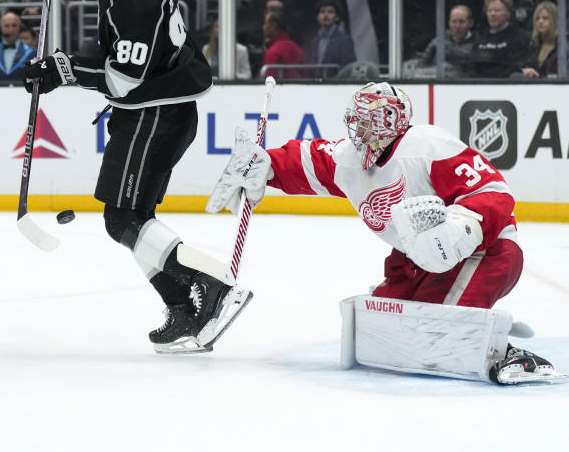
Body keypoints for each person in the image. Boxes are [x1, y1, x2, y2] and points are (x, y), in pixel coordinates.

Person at [208, 82, 560, 385]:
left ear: (390, 123)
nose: (357, 131)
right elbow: (309, 160)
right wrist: (265, 166)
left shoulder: (427, 146)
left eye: (367, 123)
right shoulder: (349, 160)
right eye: (355, 121)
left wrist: (458, 229)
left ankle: (508, 354)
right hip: (416, 261)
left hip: (486, 253)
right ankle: (476, 324)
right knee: (387, 332)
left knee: (439, 342)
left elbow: (495, 192)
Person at [26, 0, 249, 354]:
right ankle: (185, 309)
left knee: (121, 218)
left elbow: (122, 83)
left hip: (152, 114)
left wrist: (61, 69)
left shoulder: (138, 7)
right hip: (164, 108)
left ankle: (207, 287)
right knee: (134, 218)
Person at [472, 0, 531, 78]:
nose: (492, 14)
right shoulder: (481, 36)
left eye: (497, 10)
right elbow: (474, 66)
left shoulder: (519, 36)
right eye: (489, 10)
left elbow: (514, 67)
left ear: (508, 13)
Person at [415, 4, 477, 77]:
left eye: (461, 21)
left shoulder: (479, 42)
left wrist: (455, 52)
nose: (457, 26)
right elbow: (420, 67)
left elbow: (477, 71)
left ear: (470, 23)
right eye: (454, 22)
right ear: (449, 24)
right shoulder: (438, 41)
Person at [305, 0, 355, 77]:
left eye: (330, 12)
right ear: (317, 17)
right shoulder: (314, 41)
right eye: (322, 12)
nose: (325, 15)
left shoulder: (344, 40)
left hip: (336, 85)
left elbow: (347, 68)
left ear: (337, 17)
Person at [519, 1, 560, 79]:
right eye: (537, 18)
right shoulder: (532, 45)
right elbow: (520, 67)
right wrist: (524, 71)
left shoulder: (563, 48)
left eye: (545, 18)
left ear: (554, 21)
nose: (540, 22)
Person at [260, 11, 306, 78]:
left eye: (265, 23)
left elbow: (270, 83)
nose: (263, 27)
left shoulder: (273, 52)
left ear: (274, 26)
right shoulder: (298, 49)